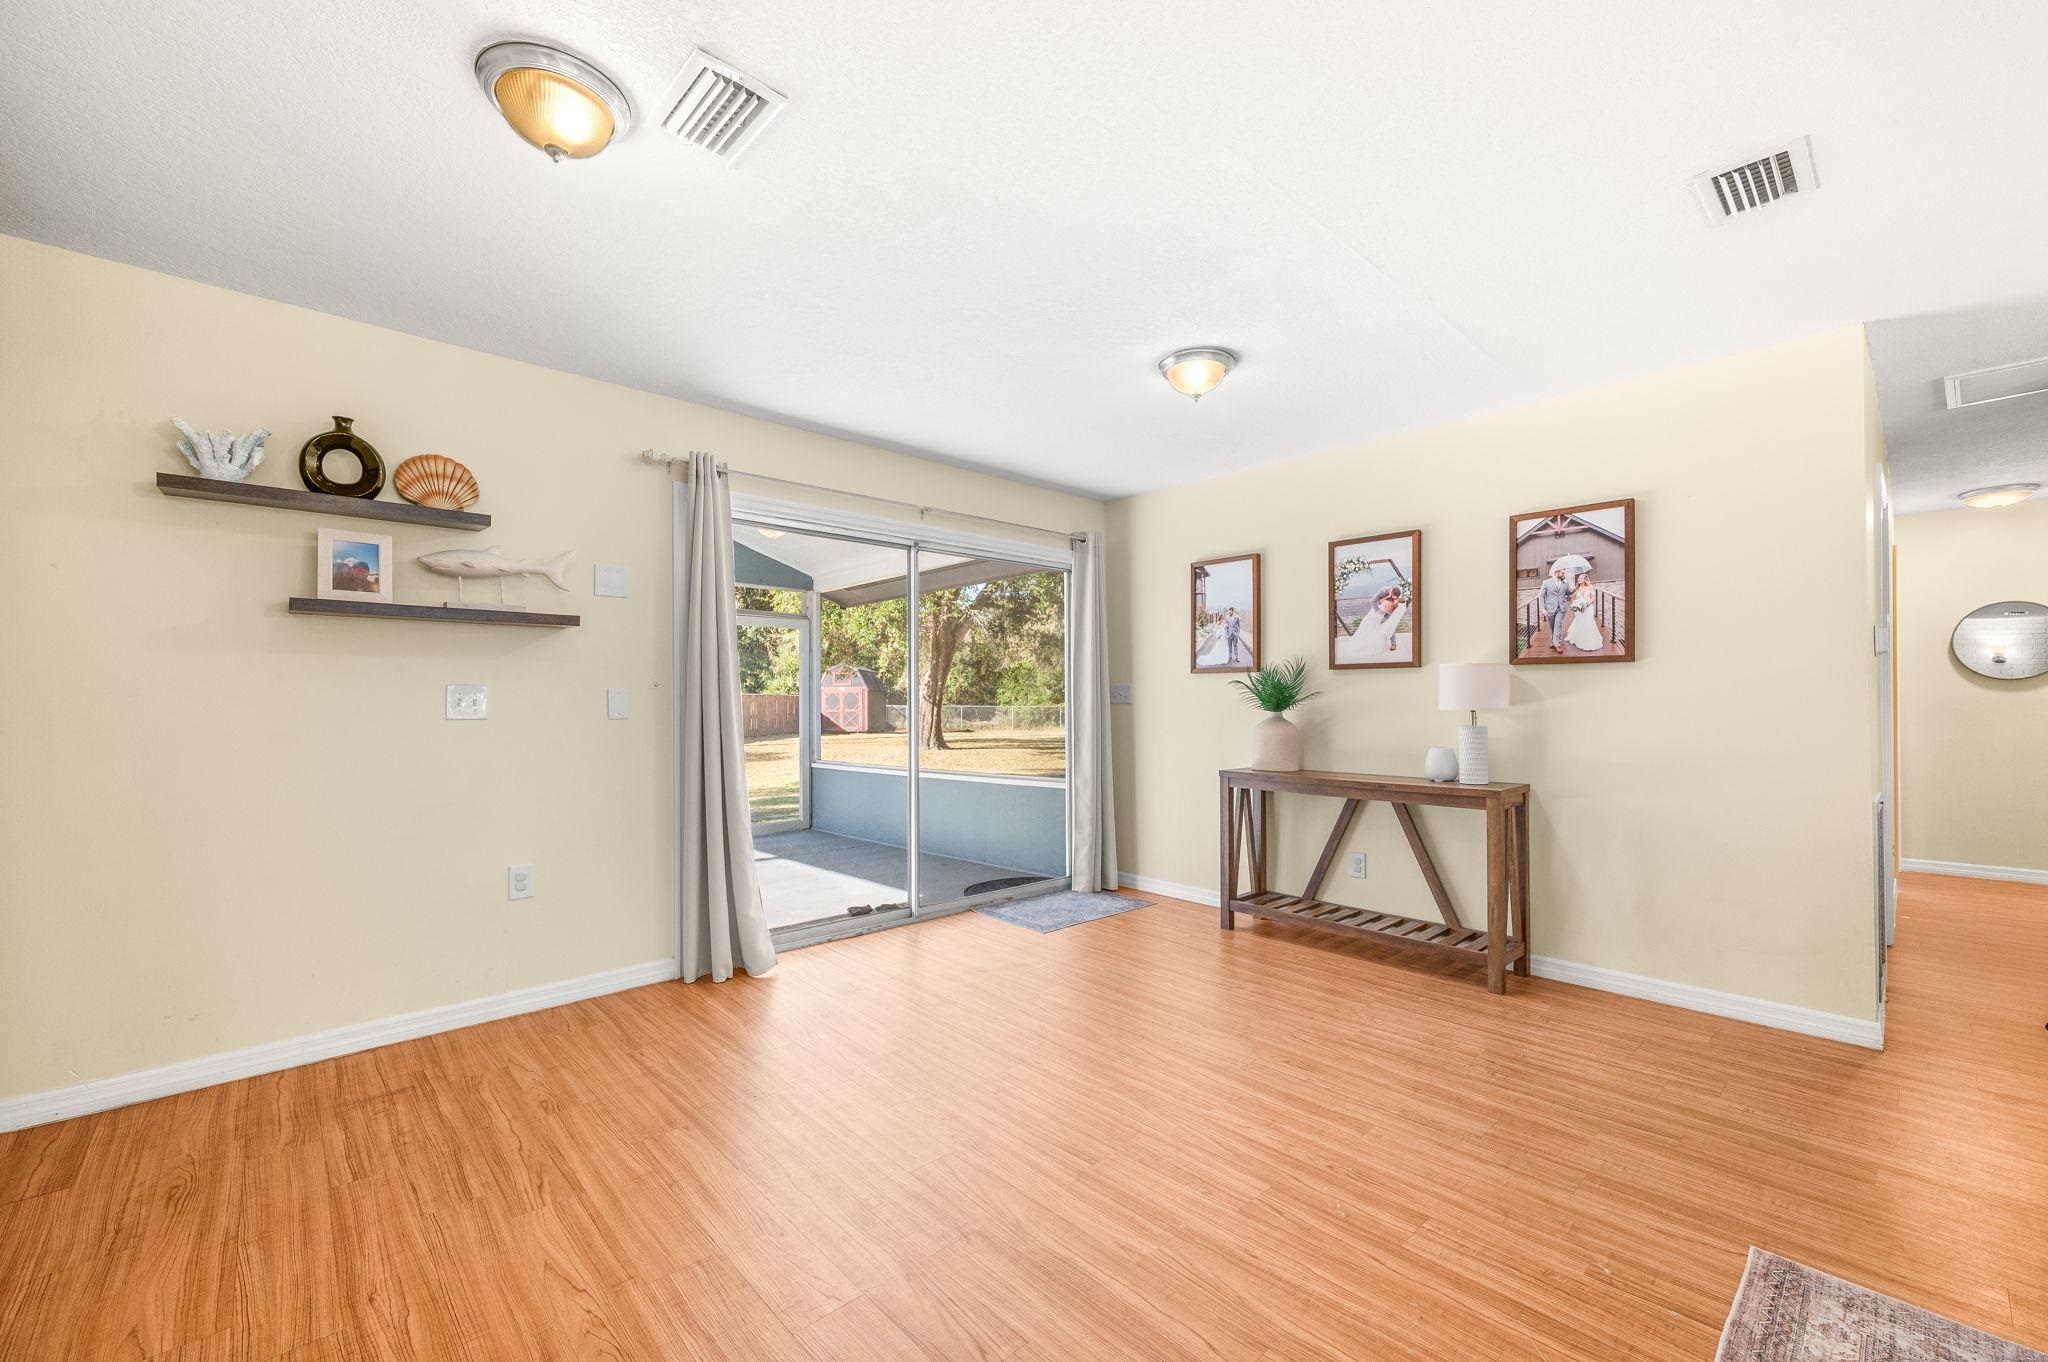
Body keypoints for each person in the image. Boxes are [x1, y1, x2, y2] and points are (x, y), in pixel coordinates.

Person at [1339, 585, 1407, 661]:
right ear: (1391, 593)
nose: (1394, 598)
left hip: (1388, 612)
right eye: (1393, 597)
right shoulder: (1383, 591)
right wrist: (1379, 611)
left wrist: (1397, 602)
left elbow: (1403, 600)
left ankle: (1393, 643)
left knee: (1389, 625)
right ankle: (1367, 641)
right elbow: (1372, 601)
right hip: (1378, 610)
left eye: (1395, 597)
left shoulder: (1397, 591)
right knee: (1370, 625)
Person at [1566, 573, 1604, 652]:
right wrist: (1574, 604)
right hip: (1579, 609)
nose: (1579, 580)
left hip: (1588, 608)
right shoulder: (1577, 588)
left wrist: (1586, 604)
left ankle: (1588, 640)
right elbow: (1572, 598)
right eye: (1579, 578)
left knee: (1588, 622)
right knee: (1580, 622)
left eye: (1581, 578)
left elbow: (1593, 598)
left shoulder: (1590, 587)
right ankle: (1578, 637)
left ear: (1585, 579)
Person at [1538, 563, 1572, 651]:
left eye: (1564, 573)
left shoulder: (1565, 582)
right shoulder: (1546, 583)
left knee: (1558, 624)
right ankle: (1553, 640)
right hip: (1550, 608)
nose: (1564, 575)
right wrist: (1542, 609)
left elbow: (1568, 593)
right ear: (1556, 573)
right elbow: (1541, 596)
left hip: (1562, 607)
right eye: (1562, 573)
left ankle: (1557, 643)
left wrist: (1572, 588)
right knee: (1551, 626)